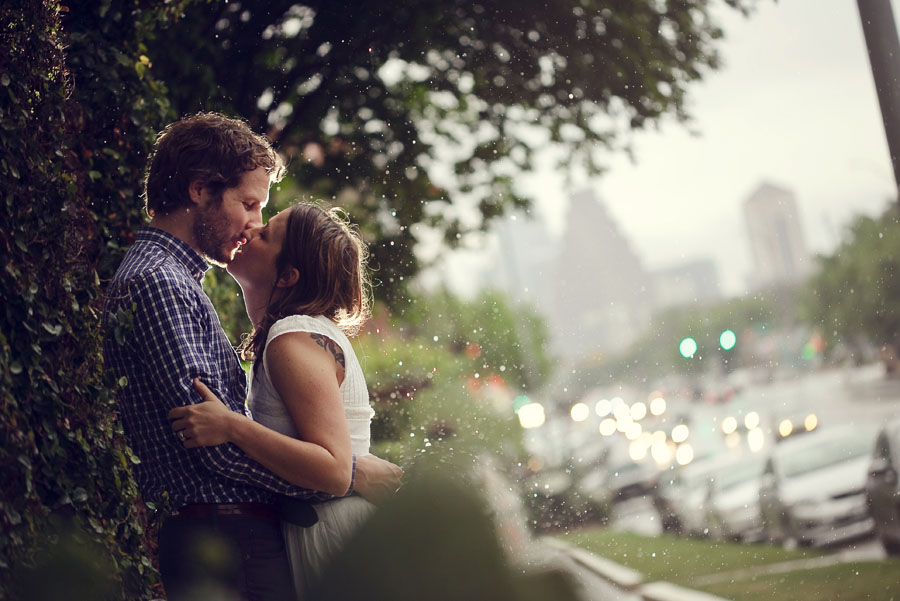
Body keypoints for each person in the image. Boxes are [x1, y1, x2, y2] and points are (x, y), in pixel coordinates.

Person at [102, 112, 401, 601]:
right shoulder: (163, 283)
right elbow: (209, 436)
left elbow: (220, 428)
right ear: (200, 190)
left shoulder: (178, 283)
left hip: (230, 535)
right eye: (249, 204)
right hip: (223, 534)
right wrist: (346, 476)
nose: (253, 223)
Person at [168, 202, 385, 597]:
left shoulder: (292, 337)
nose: (251, 229)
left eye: (266, 233)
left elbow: (335, 471)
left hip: (333, 535)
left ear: (288, 275)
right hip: (321, 528)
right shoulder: (295, 334)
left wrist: (232, 426)